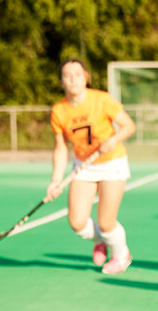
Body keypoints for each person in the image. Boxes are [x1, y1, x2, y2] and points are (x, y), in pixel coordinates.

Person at [44, 59, 136, 274]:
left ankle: (122, 255)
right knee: (77, 222)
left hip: (112, 163)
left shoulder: (101, 100)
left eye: (77, 74)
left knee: (106, 222)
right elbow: (60, 149)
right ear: (61, 82)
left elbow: (128, 125)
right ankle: (100, 241)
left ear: (85, 76)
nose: (73, 79)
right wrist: (55, 181)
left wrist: (113, 139)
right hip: (83, 166)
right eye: (67, 75)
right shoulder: (59, 111)